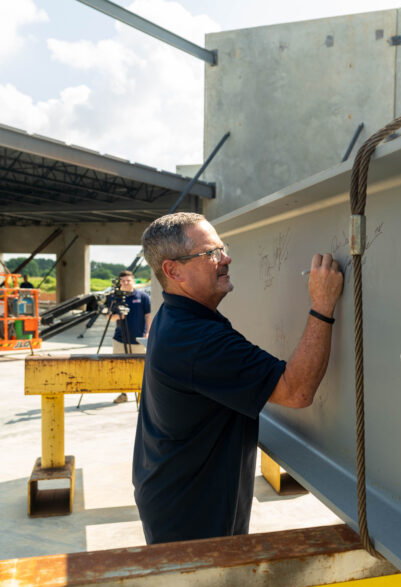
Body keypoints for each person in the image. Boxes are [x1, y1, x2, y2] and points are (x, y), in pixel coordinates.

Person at [133, 212, 343, 544]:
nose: (226, 259)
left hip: (176, 495)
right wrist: (323, 304)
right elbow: (296, 391)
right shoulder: (195, 339)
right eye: (210, 253)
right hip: (191, 518)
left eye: (222, 248)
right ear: (173, 271)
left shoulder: (177, 316)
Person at [107, 269, 151, 404]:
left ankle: (141, 396)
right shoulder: (114, 298)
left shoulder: (143, 296)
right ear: (119, 282)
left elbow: (148, 315)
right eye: (123, 281)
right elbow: (110, 318)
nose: (126, 283)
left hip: (138, 339)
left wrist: (148, 332)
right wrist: (118, 316)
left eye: (128, 280)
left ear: (133, 281)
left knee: (140, 368)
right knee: (119, 368)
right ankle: (123, 394)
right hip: (120, 339)